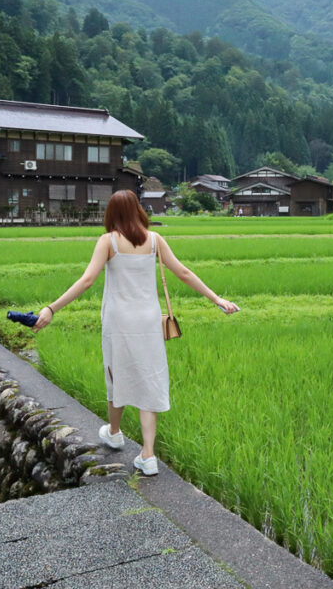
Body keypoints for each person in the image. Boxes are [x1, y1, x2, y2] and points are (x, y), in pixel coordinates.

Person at [32, 189, 238, 475]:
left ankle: (114, 433)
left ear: (111, 214)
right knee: (147, 378)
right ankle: (148, 455)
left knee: (116, 373)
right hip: (149, 321)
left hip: (119, 321)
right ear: (138, 210)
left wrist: (52, 308)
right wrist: (218, 299)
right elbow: (184, 273)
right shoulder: (154, 240)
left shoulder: (108, 242)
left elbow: (88, 280)